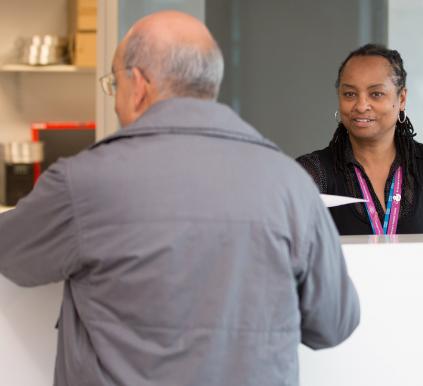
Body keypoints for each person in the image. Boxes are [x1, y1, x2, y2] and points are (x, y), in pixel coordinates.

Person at [0, 11, 359, 386]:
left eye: (113, 84)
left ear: (137, 84)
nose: (115, 100)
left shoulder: (85, 182)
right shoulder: (292, 184)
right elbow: (333, 323)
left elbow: (12, 254)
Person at [297, 44, 423, 236]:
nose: (361, 106)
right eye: (349, 94)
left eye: (376, 94)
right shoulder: (312, 171)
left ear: (402, 99)